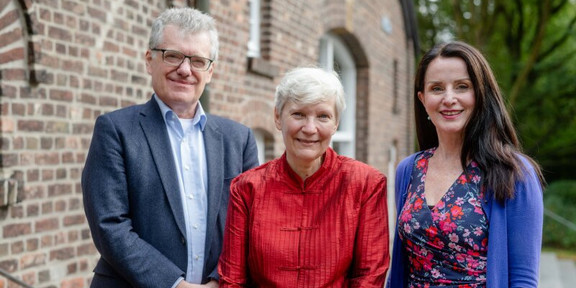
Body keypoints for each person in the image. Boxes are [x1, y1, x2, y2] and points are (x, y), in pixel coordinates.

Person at [82, 7, 259, 288]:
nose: (185, 70)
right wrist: (175, 285)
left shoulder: (239, 139)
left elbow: (250, 224)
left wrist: (219, 281)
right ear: (149, 60)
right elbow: (110, 225)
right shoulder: (115, 130)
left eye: (198, 61)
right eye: (173, 56)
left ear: (210, 71)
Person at [387, 41, 545, 288]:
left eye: (462, 86)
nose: (449, 98)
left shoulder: (515, 173)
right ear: (423, 98)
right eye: (437, 88)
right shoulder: (408, 170)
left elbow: (523, 279)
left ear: (480, 94)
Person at [218, 67, 389, 287]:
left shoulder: (366, 184)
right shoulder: (246, 188)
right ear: (278, 117)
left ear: (336, 123)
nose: (309, 128)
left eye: (323, 116)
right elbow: (232, 280)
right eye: (298, 114)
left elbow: (369, 277)